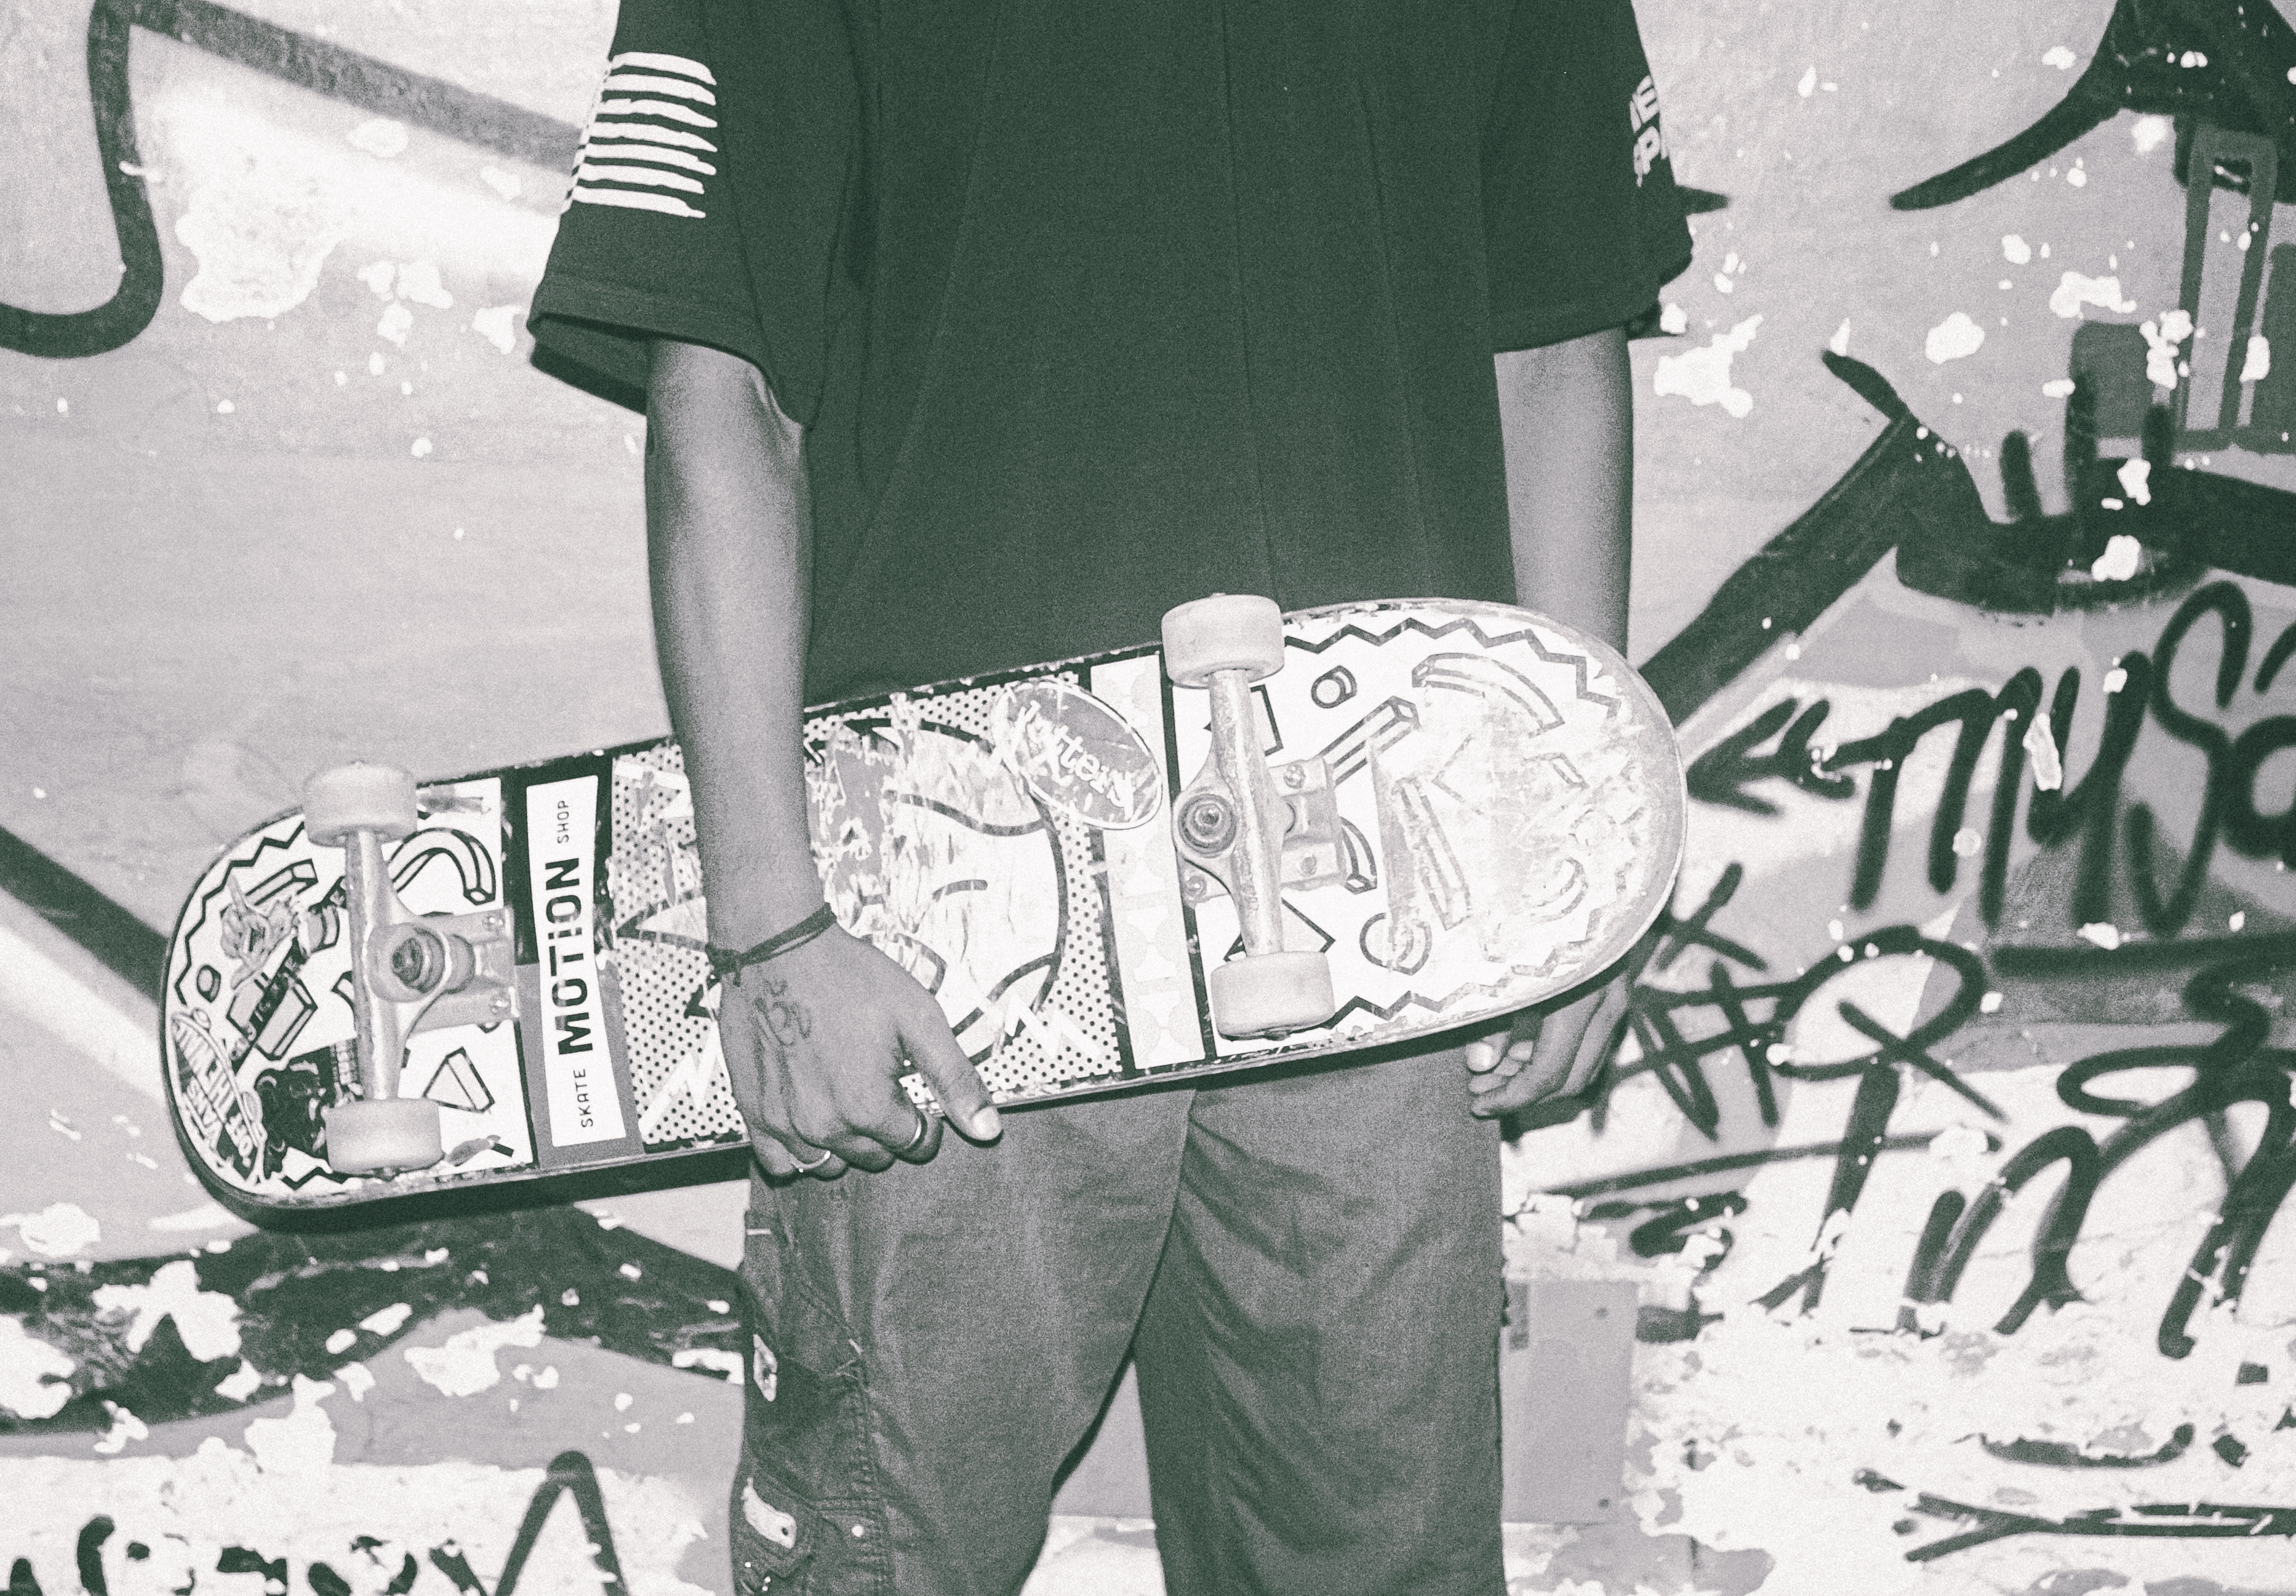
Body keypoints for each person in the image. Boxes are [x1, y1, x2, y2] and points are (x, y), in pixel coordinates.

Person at [528, 1, 1691, 1590]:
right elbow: (722, 387)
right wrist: (771, 926)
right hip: (947, 913)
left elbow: (1557, 347)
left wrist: (1575, 867)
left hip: (1395, 902)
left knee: (1379, 1568)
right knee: (889, 1561)